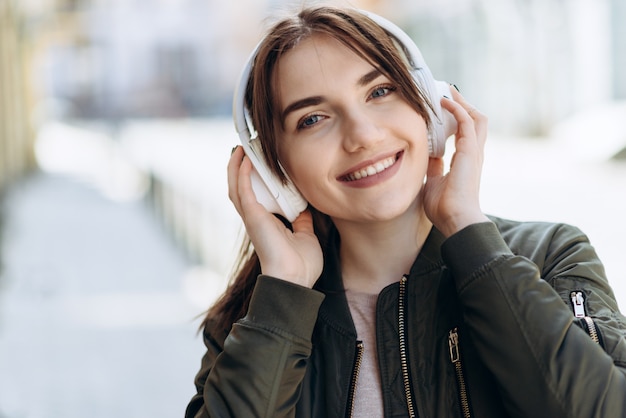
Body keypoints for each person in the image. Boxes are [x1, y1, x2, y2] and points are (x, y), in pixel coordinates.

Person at [185, 5, 626, 418]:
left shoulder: (548, 257)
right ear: (274, 173)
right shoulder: (253, 317)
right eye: (313, 119)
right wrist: (282, 299)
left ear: (431, 110)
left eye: (380, 91)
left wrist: (473, 242)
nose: (362, 136)